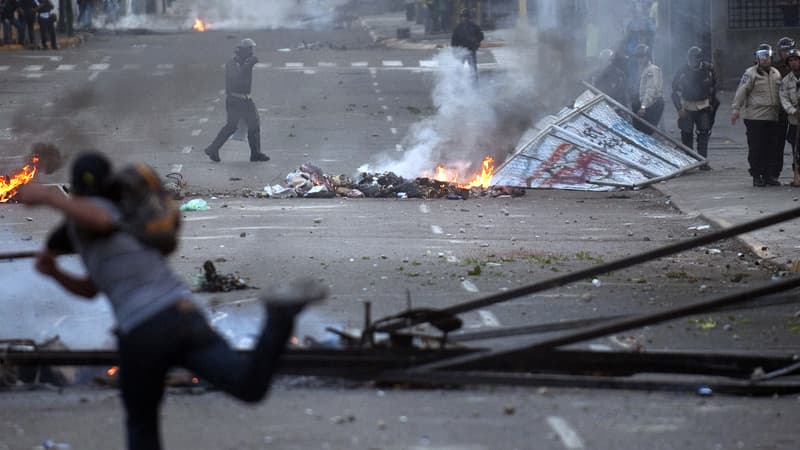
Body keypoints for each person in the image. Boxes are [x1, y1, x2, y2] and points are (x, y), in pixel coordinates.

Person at [17, 152, 327, 450]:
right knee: (248, 386)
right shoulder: (127, 215)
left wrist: (49, 197)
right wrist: (54, 273)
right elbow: (91, 289)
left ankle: (280, 315)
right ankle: (280, 316)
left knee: (142, 426)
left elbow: (99, 219)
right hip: (183, 316)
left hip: (143, 332)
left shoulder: (101, 215)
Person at [204, 38, 270, 163]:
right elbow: (237, 78)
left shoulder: (245, 62)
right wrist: (249, 65)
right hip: (235, 99)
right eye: (249, 49)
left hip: (245, 99)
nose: (251, 52)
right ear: (243, 50)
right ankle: (213, 148)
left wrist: (249, 64)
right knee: (231, 126)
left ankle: (255, 153)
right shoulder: (232, 63)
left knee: (254, 125)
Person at [731, 44, 783, 187]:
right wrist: (736, 109)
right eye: (761, 56)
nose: (764, 59)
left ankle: (767, 175)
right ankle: (756, 175)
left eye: (767, 56)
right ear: (757, 58)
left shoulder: (776, 73)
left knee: (771, 148)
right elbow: (741, 91)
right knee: (756, 148)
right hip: (755, 118)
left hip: (772, 117)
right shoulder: (750, 73)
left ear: (771, 57)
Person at [671, 46, 717, 170]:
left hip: (704, 105)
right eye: (691, 59)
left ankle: (702, 162)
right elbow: (674, 92)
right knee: (686, 133)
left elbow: (713, 88)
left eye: (696, 59)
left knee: (704, 133)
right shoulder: (682, 71)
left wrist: (711, 105)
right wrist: (679, 109)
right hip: (687, 105)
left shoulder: (709, 69)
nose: (693, 61)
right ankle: (689, 162)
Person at [631, 43, 664, 134]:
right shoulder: (643, 69)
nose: (640, 59)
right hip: (646, 104)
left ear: (648, 56)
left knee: (645, 132)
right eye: (638, 57)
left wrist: (643, 107)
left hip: (652, 105)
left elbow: (651, 90)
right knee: (639, 131)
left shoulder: (652, 70)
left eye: (642, 57)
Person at [779, 48, 800, 187]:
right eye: (791, 60)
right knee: (796, 149)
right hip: (794, 120)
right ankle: (797, 176)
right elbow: (784, 98)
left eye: (796, 60)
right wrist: (792, 111)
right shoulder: (786, 81)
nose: (793, 63)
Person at [450, 8, 483, 81]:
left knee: (473, 70)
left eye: (466, 16)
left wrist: (476, 43)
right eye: (464, 16)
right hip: (462, 51)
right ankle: (458, 85)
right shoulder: (458, 27)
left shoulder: (474, 26)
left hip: (470, 51)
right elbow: (454, 41)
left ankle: (475, 86)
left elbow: (480, 36)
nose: (465, 18)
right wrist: (455, 51)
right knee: (459, 69)